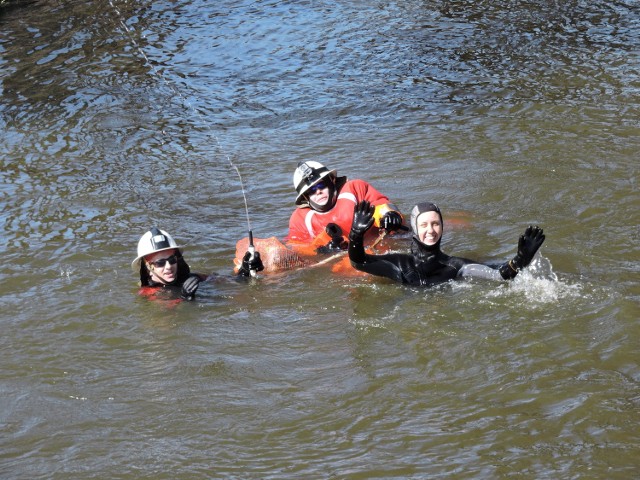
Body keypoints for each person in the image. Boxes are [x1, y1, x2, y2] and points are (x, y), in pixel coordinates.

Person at [348, 200, 545, 286]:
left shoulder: (455, 266)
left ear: (442, 227)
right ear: (415, 229)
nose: (430, 230)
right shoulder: (399, 263)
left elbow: (499, 276)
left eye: (435, 224)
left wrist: (521, 259)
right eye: (424, 225)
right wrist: (356, 235)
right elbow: (359, 262)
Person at [287, 161, 406, 250]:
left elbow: (381, 205)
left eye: (321, 185)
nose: (318, 192)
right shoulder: (299, 219)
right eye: (311, 190)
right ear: (305, 198)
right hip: (345, 259)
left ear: (332, 181)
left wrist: (391, 215)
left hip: (379, 244)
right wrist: (322, 251)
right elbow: (298, 248)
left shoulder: (355, 188)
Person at [132, 227, 264, 301]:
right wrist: (185, 299)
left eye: (172, 260)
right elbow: (167, 320)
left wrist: (245, 271)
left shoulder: (192, 278)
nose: (168, 266)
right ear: (148, 268)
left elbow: (228, 281)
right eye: (160, 263)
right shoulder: (148, 293)